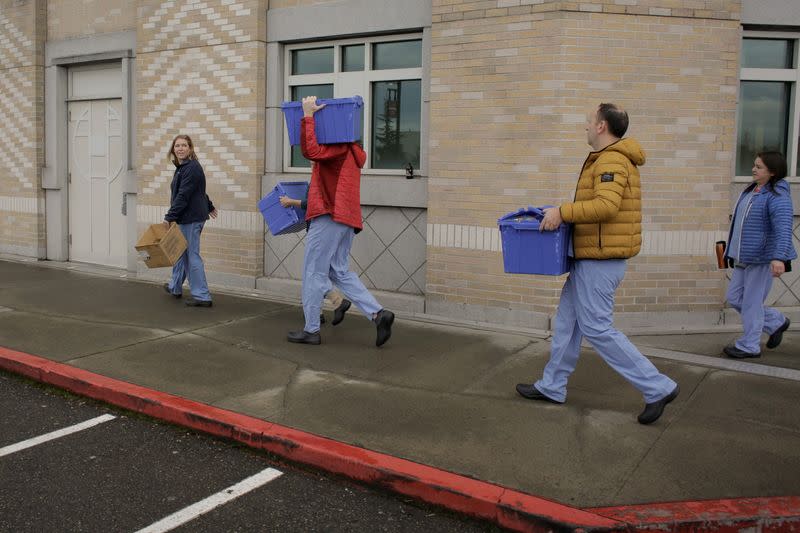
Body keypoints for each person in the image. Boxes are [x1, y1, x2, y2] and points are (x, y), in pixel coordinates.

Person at [515, 103, 679, 425]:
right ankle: (552, 385)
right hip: (589, 258)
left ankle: (657, 386)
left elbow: (605, 206)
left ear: (602, 126)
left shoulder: (613, 160)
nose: (586, 127)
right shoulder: (606, 158)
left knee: (597, 328)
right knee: (567, 323)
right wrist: (563, 211)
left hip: (599, 263)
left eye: (589, 121)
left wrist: (563, 211)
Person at [287, 96, 394, 347]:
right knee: (339, 271)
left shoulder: (336, 149)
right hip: (346, 218)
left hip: (329, 215)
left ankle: (311, 329)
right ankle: (378, 314)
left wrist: (308, 116)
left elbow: (309, 150)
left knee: (313, 272)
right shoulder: (351, 151)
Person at [722, 151, 796, 358]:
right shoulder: (752, 191)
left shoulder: (777, 196)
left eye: (759, 167)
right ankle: (775, 321)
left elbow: (783, 228)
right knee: (735, 297)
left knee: (751, 303)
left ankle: (749, 345)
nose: (753, 169)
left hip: (762, 258)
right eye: (754, 165)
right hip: (743, 256)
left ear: (772, 172)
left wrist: (778, 257)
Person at [162, 134, 217, 307]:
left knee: (191, 255)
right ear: (173, 149)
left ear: (190, 148)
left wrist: (169, 217)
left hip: (191, 218)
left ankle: (202, 296)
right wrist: (209, 205)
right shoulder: (183, 167)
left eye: (184, 145)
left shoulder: (191, 168)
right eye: (177, 146)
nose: (180, 148)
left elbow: (183, 195)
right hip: (186, 216)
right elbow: (198, 191)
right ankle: (175, 286)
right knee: (180, 252)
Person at [279, 192, 351, 325]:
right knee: (316, 274)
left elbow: (314, 203)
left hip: (320, 231)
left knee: (312, 275)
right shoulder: (321, 174)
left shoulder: (322, 173)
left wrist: (291, 202)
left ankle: (337, 302)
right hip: (324, 230)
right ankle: (318, 313)